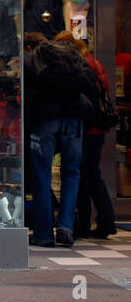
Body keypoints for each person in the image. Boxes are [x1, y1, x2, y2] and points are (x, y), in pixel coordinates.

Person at [24, 33, 88, 247]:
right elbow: (89, 88)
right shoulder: (73, 58)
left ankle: (43, 234)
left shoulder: (32, 59)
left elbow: (25, 93)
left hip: (44, 121)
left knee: (41, 175)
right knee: (71, 173)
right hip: (73, 120)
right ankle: (65, 227)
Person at [53, 32, 118, 239]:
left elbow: (83, 97)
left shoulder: (82, 64)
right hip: (98, 127)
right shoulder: (94, 62)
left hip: (88, 127)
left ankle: (86, 223)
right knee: (92, 175)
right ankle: (105, 221)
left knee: (82, 175)